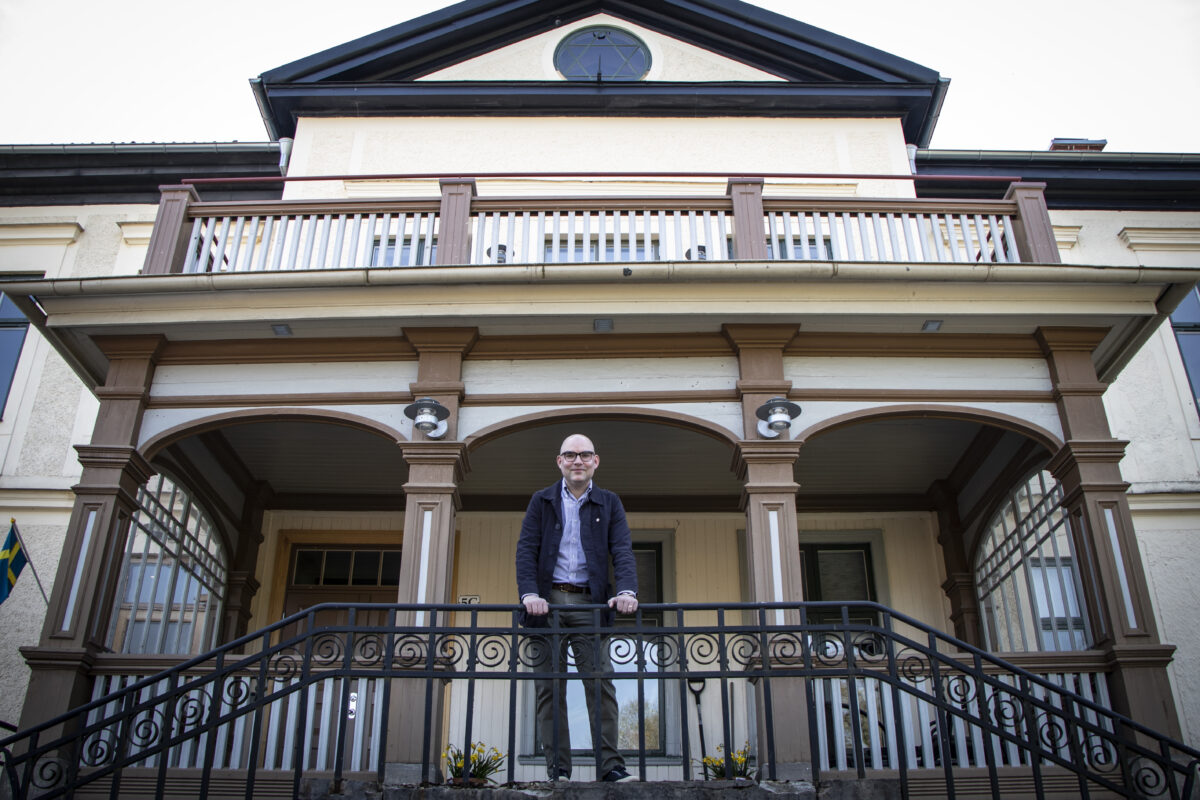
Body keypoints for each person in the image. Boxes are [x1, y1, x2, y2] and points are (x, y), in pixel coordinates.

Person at [515, 433, 639, 783]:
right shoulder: (542, 501)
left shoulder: (609, 502)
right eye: (570, 455)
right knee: (549, 689)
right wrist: (529, 596)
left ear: (595, 461)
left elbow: (623, 550)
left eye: (584, 455)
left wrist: (627, 590)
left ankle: (611, 766)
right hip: (546, 605)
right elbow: (526, 550)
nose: (577, 461)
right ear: (560, 462)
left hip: (590, 603)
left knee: (600, 684)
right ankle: (560, 771)